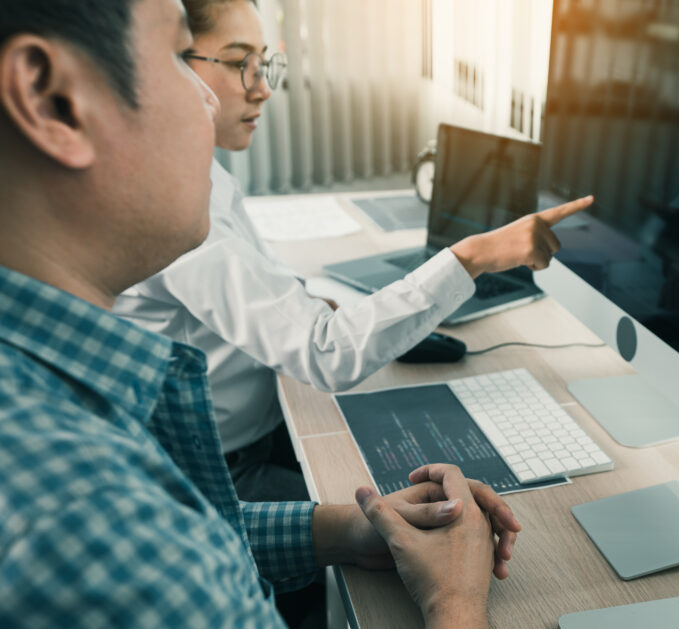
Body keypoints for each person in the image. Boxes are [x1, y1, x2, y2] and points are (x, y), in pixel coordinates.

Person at [0, 0, 540, 629]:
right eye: (179, 55)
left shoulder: (62, 414)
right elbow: (146, 549)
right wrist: (458, 607)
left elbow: (181, 544)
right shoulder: (87, 508)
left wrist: (342, 527)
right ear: (53, 101)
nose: (217, 97)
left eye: (265, 66)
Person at [112, 0, 594, 505]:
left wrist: (320, 306)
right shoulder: (173, 203)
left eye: (264, 64)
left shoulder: (204, 174)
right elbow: (327, 356)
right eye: (240, 64)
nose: (263, 88)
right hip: (220, 473)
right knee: (418, 515)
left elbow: (263, 291)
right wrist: (472, 256)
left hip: (258, 428)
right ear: (169, 66)